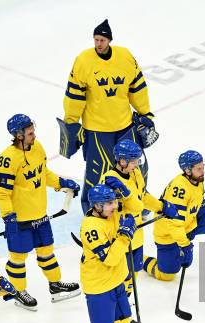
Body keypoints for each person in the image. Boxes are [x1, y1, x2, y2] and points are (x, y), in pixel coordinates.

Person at [61, 19, 157, 213]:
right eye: (95, 40)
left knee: (137, 166)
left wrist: (145, 114)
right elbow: (74, 96)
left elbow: (137, 88)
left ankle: (139, 203)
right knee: (96, 172)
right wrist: (71, 122)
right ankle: (91, 209)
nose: (98, 44)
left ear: (109, 40)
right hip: (97, 130)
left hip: (125, 126)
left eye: (102, 40)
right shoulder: (83, 61)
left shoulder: (125, 57)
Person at [0, 114, 81, 310]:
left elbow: (44, 174)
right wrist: (8, 216)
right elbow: (1, 193)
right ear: (18, 135)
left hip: (40, 215)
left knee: (47, 252)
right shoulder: (7, 159)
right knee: (18, 258)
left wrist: (61, 183)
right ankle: (18, 291)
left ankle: (56, 286)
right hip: (20, 220)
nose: (34, 135)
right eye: (30, 133)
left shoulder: (38, 147)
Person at [99, 139, 178, 323]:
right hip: (121, 237)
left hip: (136, 236)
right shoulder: (110, 181)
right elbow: (135, 206)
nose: (137, 164)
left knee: (130, 279)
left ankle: (123, 316)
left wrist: (161, 205)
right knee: (119, 281)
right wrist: (125, 193)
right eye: (133, 161)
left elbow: (142, 196)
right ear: (122, 161)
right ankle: (118, 320)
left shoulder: (134, 173)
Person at [80, 184, 143, 323]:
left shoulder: (112, 214)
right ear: (97, 206)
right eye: (108, 203)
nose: (114, 206)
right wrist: (125, 236)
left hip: (116, 281)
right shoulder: (90, 227)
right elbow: (110, 258)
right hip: (98, 285)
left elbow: (135, 208)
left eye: (114, 201)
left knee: (122, 322)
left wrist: (125, 191)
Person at [142, 151, 205, 281]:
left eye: (203, 167)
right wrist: (185, 245)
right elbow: (174, 225)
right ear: (188, 170)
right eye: (199, 169)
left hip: (188, 224)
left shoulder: (198, 180)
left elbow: (199, 202)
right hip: (169, 234)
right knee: (166, 276)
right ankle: (138, 258)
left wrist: (197, 220)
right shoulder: (179, 189)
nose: (203, 171)